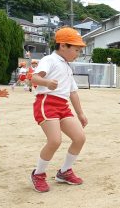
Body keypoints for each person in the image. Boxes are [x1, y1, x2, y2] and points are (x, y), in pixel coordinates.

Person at [29, 27, 88, 193]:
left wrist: (81, 113)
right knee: (55, 140)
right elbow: (34, 77)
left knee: (79, 138)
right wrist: (47, 83)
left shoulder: (68, 67)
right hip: (46, 102)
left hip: (63, 105)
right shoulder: (50, 59)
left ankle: (64, 172)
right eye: (76, 49)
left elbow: (73, 92)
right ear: (63, 45)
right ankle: (38, 174)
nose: (78, 53)